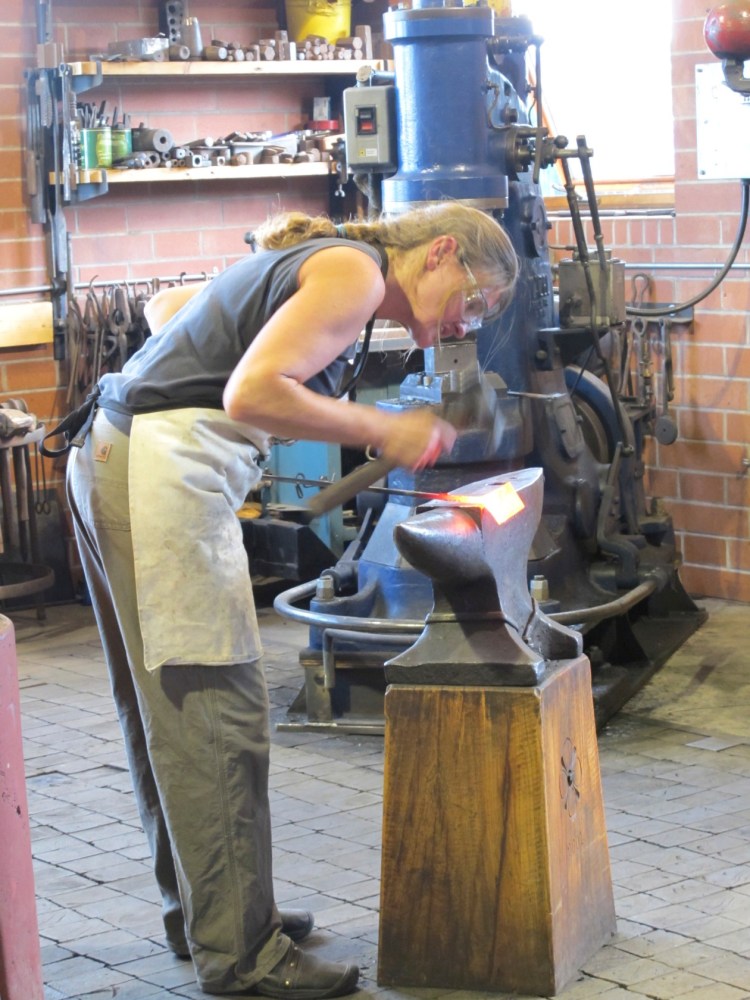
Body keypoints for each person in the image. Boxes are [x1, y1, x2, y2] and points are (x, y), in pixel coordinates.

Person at [60, 202, 519, 998]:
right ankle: (244, 960)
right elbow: (248, 394)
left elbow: (169, 311)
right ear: (441, 252)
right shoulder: (354, 271)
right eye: (472, 302)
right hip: (156, 475)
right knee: (215, 712)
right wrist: (385, 429)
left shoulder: (325, 265)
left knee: (168, 707)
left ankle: (213, 916)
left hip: (114, 457)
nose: (459, 327)